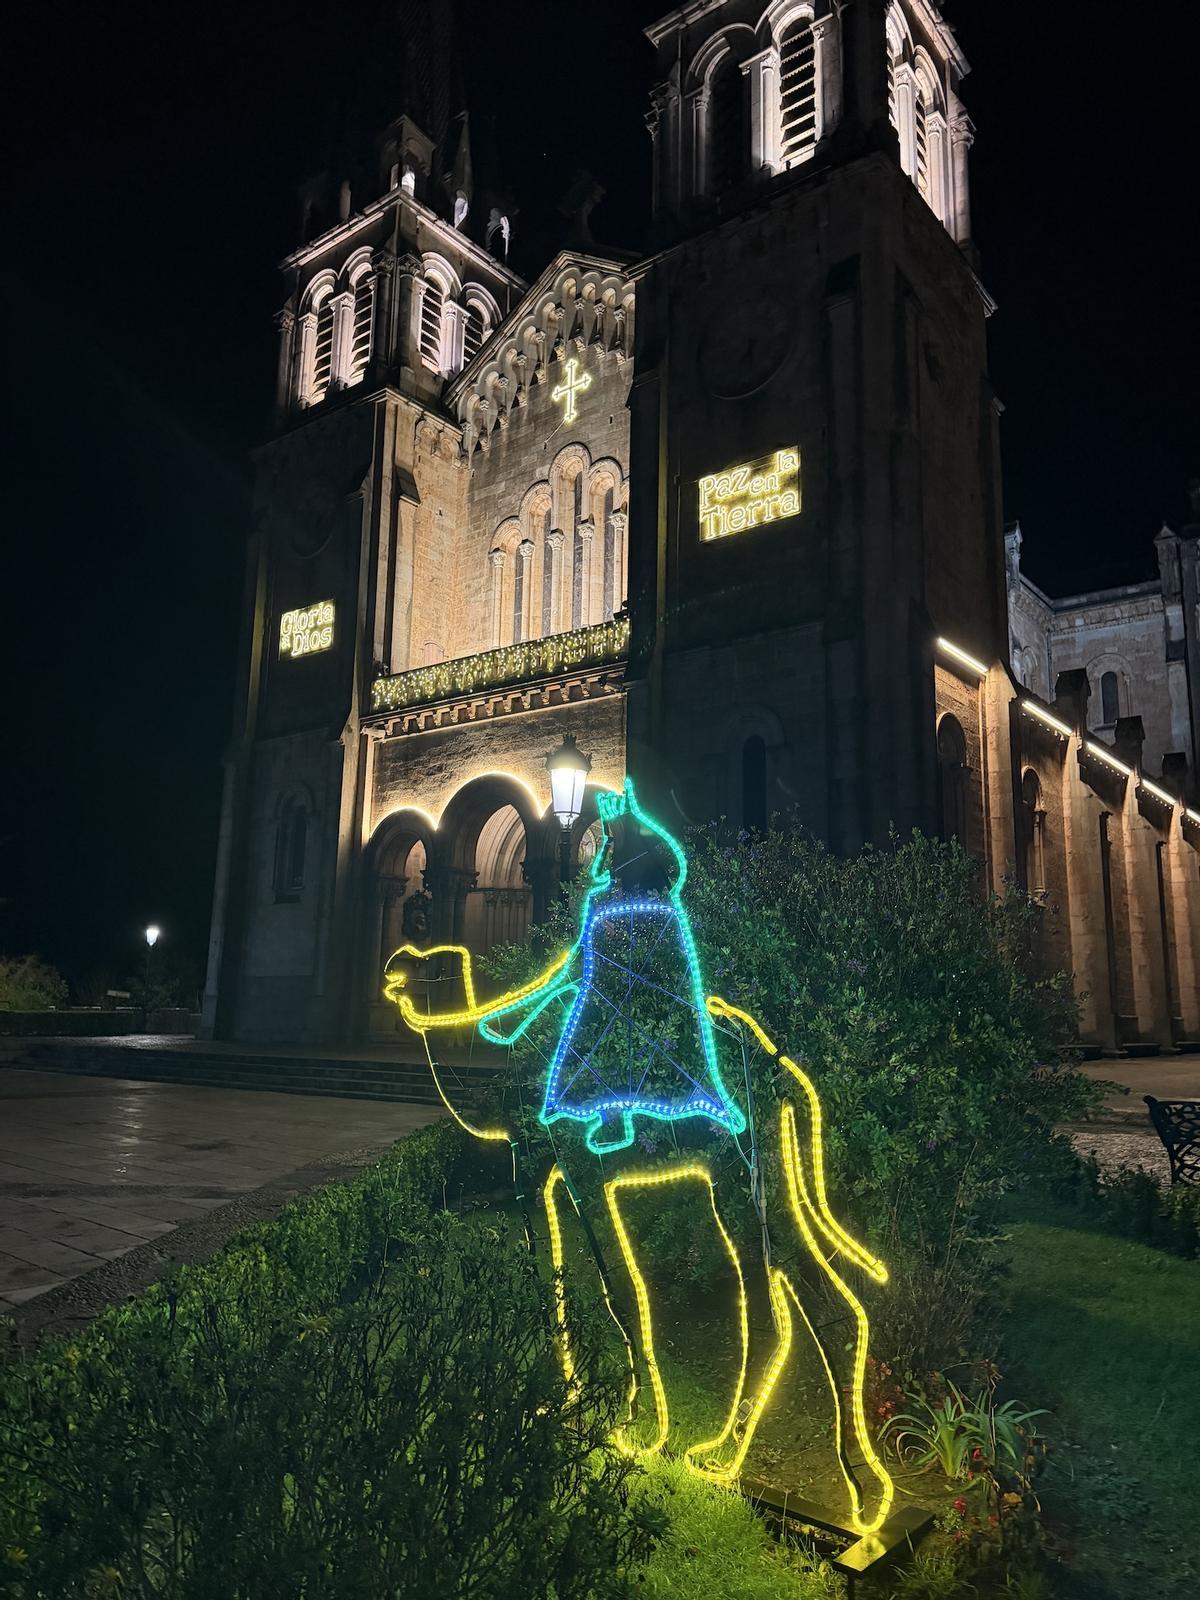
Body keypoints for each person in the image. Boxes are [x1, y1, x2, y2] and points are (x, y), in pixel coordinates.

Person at [383, 777, 893, 1534]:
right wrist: (449, 1012)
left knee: (775, 1257)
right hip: (659, 1079)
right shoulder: (647, 918)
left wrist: (445, 1012)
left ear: (619, 865)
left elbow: (527, 1005)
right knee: (773, 1260)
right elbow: (526, 1007)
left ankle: (659, 1399)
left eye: (604, 853)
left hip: (639, 1086)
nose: (592, 862)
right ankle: (684, 1409)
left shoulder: (617, 919)